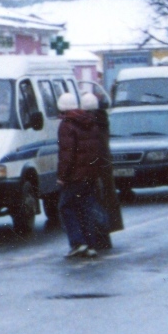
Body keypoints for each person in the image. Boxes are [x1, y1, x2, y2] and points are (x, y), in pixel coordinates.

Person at [56, 91, 108, 258]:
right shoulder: (90, 123)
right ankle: (91, 245)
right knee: (85, 209)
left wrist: (62, 177)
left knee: (65, 207)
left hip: (74, 176)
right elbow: (97, 150)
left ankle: (78, 243)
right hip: (89, 175)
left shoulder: (66, 125)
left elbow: (67, 155)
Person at [83, 90, 121, 249]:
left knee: (96, 202)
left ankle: (100, 236)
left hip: (96, 168)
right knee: (103, 201)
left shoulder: (92, 125)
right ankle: (104, 236)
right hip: (104, 167)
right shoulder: (102, 120)